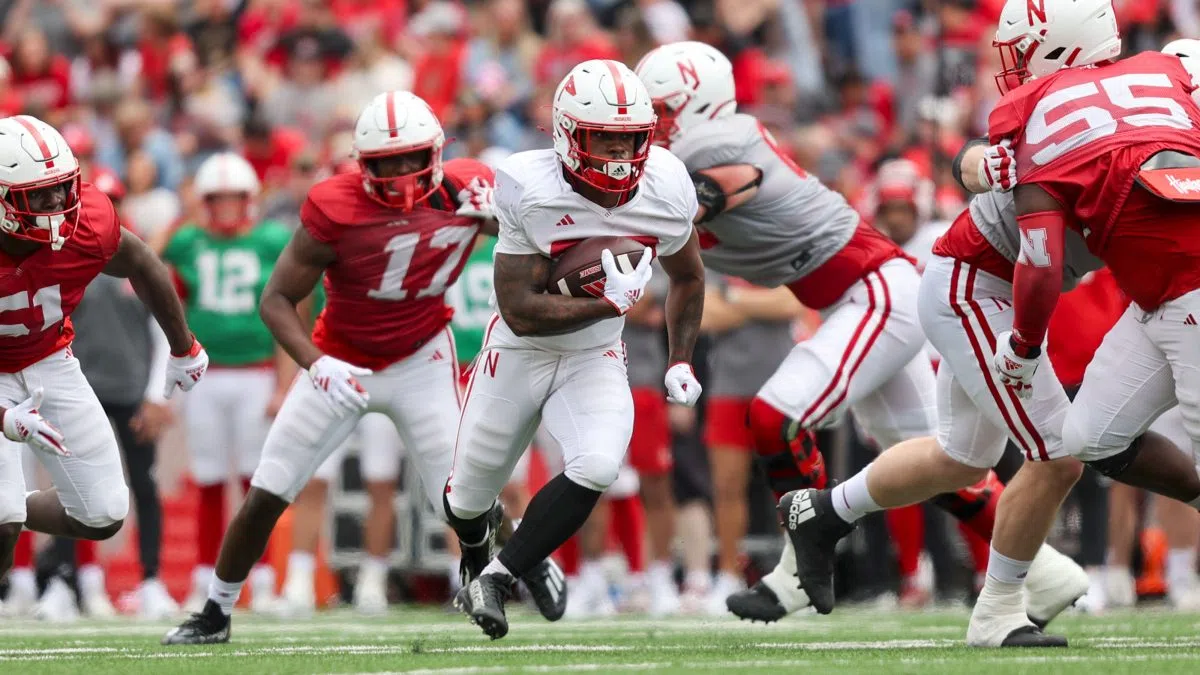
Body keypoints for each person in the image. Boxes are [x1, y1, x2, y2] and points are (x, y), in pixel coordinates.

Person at [780, 10, 1200, 646]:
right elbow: (977, 167)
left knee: (959, 458)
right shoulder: (1082, 106)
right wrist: (1025, 346)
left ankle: (823, 511)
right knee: (1056, 456)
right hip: (979, 288)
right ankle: (999, 610)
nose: (1012, 66)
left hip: (987, 282)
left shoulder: (1109, 99)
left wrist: (989, 167)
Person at [635, 41, 1076, 623]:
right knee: (941, 465)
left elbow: (722, 186)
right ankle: (1045, 573)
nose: (648, 128)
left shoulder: (717, 143)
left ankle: (797, 569)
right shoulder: (684, 153)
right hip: (868, 292)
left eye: (660, 112)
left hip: (872, 290)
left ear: (697, 107)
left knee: (775, 416)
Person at [162, 91, 530, 645]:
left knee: (462, 494)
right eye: (387, 162)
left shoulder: (467, 190)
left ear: (434, 153)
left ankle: (495, 577)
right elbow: (276, 300)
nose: (402, 174)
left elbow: (529, 242)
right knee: (269, 487)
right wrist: (315, 364)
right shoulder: (335, 205)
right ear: (363, 163)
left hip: (420, 355)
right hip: (341, 358)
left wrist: (519, 228)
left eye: (411, 158)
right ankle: (214, 610)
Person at [447, 59, 706, 640]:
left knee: (599, 466)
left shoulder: (666, 186)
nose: (618, 152)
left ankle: (497, 577)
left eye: (629, 138)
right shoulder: (529, 187)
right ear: (566, 134)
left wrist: (680, 356)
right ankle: (519, 552)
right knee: (465, 501)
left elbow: (689, 276)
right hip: (518, 352)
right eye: (603, 137)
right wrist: (607, 303)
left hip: (594, 355)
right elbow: (519, 307)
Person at [0, 115, 207, 586]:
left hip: (48, 357)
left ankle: (14, 504)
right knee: (2, 524)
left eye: (62, 188)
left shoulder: (86, 221)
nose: (58, 204)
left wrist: (183, 346)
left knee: (103, 512)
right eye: (40, 195)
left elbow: (141, 262)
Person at [159, 151, 294, 613]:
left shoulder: (271, 239)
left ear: (250, 199)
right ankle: (204, 577)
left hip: (256, 373)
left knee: (258, 483)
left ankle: (264, 579)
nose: (225, 208)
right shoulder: (188, 239)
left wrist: (283, 383)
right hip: (206, 376)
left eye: (233, 199)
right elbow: (151, 265)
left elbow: (290, 309)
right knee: (212, 479)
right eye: (215, 200)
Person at [68, 168, 178, 620]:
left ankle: (151, 581)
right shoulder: (64, 261)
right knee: (76, 489)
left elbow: (162, 330)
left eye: (114, 201)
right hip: (84, 392)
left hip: (133, 391)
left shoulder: (135, 260)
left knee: (144, 487)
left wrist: (157, 396)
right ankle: (80, 584)